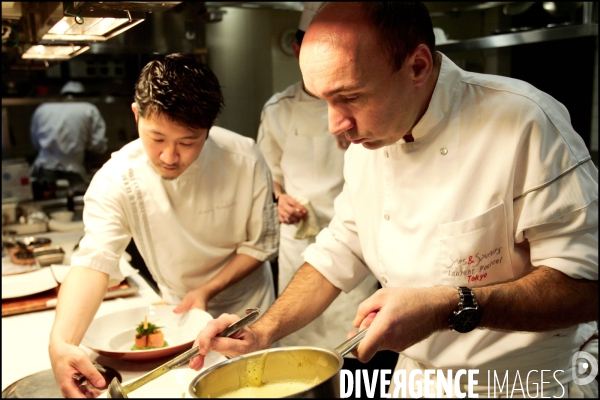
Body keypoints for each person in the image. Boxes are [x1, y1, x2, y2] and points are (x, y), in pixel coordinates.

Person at [190, 2, 598, 397]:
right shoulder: (368, 140)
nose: (336, 126)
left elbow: (586, 288)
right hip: (414, 381)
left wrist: (448, 305)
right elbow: (343, 246)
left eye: (350, 97)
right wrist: (265, 328)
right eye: (324, 100)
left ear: (417, 66)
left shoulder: (524, 122)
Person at [48, 54, 279, 398]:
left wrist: (206, 291)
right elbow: (94, 262)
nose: (170, 156)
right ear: (136, 114)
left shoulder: (244, 158)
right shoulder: (116, 179)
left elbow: (259, 246)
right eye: (157, 138)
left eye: (188, 142)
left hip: (246, 312)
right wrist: (61, 342)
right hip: (179, 318)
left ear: (210, 124)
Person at [256, 0, 394, 384]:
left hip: (357, 241)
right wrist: (279, 199)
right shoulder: (279, 109)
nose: (337, 123)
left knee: (354, 356)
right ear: (299, 51)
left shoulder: (384, 117)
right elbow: (269, 177)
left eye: (348, 99)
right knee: (297, 355)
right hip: (302, 247)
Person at [30, 81, 107, 196]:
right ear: (82, 95)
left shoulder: (43, 108)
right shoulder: (89, 109)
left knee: (47, 202)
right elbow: (98, 145)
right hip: (74, 171)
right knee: (74, 202)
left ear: (62, 95)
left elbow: (35, 142)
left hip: (45, 168)